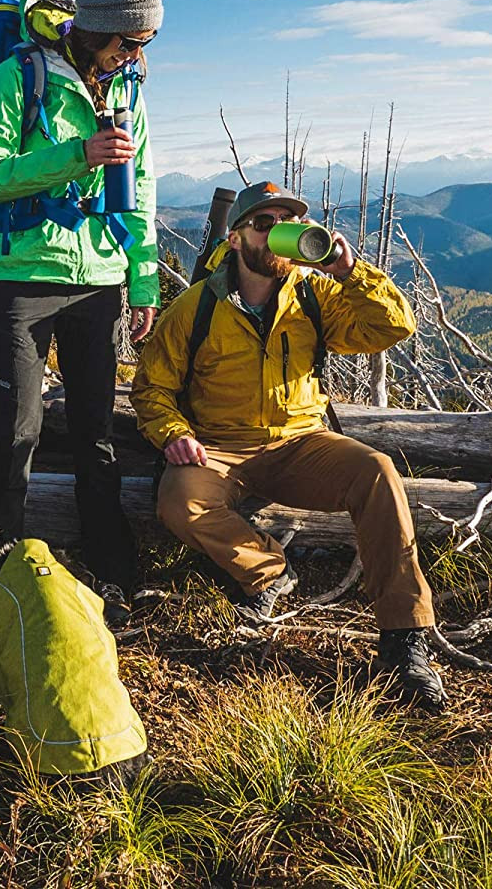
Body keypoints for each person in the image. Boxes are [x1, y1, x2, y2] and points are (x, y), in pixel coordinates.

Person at [130, 181, 447, 710]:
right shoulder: (195, 308)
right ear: (236, 240)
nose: (278, 235)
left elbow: (392, 326)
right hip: (221, 446)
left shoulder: (311, 294)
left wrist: (351, 272)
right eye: (264, 224)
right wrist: (174, 434)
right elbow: (152, 388)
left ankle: (405, 638)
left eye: (287, 223)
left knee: (377, 471)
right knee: (179, 499)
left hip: (302, 441)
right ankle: (271, 571)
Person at [0, 0, 163, 625]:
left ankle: (112, 562)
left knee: (95, 432)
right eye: (132, 41)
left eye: (146, 44)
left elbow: (141, 193)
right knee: (15, 432)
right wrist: (77, 155)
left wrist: (141, 281)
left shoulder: (128, 92)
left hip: (99, 279)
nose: (137, 57)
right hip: (20, 278)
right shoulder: (16, 75)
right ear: (100, 23)